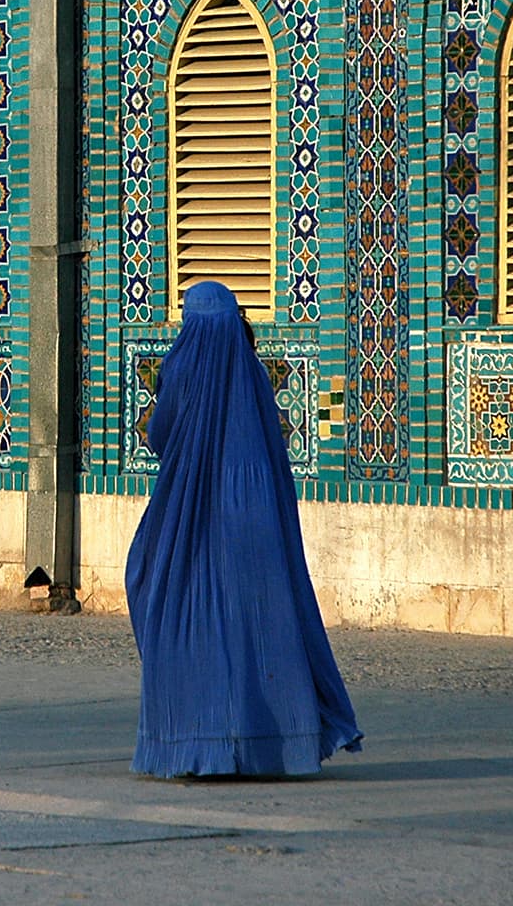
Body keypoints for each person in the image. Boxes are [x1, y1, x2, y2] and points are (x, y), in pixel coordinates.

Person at [125, 280, 363, 778]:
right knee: (254, 622)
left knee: (177, 608)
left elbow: (159, 434)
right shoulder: (252, 373)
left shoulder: (181, 366)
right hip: (253, 515)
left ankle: (196, 743)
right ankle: (267, 745)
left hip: (190, 512)